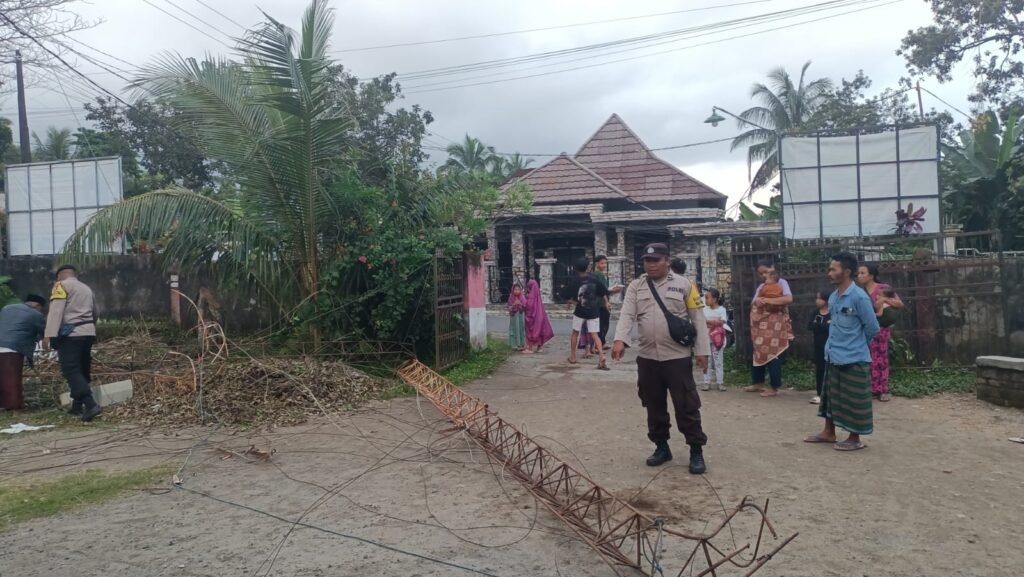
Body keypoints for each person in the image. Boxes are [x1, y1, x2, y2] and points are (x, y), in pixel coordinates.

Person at [612, 243, 711, 474]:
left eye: (656, 260)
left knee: (686, 405)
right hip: (647, 358)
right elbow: (627, 314)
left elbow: (697, 318)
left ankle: (696, 450)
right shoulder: (637, 286)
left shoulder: (685, 285)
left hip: (677, 357)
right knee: (653, 405)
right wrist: (620, 340)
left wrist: (702, 351)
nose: (651, 264)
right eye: (647, 260)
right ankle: (661, 447)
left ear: (667, 260)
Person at [805, 252, 880, 451]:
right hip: (833, 354)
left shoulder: (859, 298)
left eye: (833, 269)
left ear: (846, 272)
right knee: (830, 395)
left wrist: (856, 345)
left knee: (853, 400)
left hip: (854, 358)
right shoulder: (834, 298)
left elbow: (872, 328)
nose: (829, 272)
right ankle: (828, 432)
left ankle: (854, 438)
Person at [43, 265, 101, 422]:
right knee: (82, 368)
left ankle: (90, 404)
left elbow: (56, 311)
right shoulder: (86, 288)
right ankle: (76, 406)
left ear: (60, 276)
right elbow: (96, 312)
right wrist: (90, 327)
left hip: (71, 334)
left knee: (71, 369)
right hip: (88, 332)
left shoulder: (60, 285)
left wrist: (49, 335)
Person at [746, 260, 794, 397]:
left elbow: (788, 299)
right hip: (760, 324)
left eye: (765, 272)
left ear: (772, 269)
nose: (763, 275)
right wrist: (758, 301)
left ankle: (774, 387)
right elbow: (753, 302)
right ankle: (758, 382)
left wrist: (768, 301)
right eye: (761, 273)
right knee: (758, 351)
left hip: (776, 325)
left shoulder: (782, 283)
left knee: (774, 354)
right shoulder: (761, 286)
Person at [857, 264, 904, 402]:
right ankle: (871, 388)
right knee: (867, 358)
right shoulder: (859, 291)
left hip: (881, 328)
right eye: (858, 273)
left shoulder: (882, 288)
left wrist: (884, 299)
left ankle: (883, 389)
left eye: (862, 273)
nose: (859, 276)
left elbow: (900, 304)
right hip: (865, 330)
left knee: (881, 359)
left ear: (871, 276)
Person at [560, 258, 611, 370]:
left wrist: (573, 302)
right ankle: (601, 356)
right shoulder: (594, 279)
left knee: (575, 333)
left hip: (580, 310)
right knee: (595, 334)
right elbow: (604, 292)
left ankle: (573, 357)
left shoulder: (575, 281)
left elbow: (563, 294)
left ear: (576, 269)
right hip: (593, 310)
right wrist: (606, 303)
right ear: (587, 267)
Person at [0, 295, 47, 411]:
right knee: (12, 379)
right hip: (13, 348)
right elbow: (45, 331)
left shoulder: (7, 308)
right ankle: (14, 407)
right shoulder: (36, 314)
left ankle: (4, 404)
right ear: (37, 305)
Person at [592, 255, 623, 352]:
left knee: (602, 324)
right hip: (601, 303)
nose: (604, 265)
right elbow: (602, 291)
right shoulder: (598, 275)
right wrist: (610, 294)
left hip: (599, 303)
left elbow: (604, 290)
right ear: (596, 264)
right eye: (602, 263)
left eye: (605, 263)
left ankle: (601, 343)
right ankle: (599, 344)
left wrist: (611, 290)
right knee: (603, 324)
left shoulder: (597, 275)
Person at [702, 288, 729, 392]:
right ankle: (706, 382)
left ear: (715, 299)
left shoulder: (722, 309)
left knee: (718, 361)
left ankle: (720, 382)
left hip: (717, 339)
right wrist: (715, 322)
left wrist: (709, 322)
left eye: (707, 298)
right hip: (706, 338)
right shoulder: (704, 309)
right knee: (706, 361)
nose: (706, 300)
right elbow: (703, 322)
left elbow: (722, 322)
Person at [808, 289, 832, 405]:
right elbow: (810, 326)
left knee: (831, 369)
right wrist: (823, 325)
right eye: (817, 298)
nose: (817, 301)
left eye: (820, 298)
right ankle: (820, 393)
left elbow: (831, 328)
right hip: (818, 345)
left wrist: (819, 325)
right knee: (820, 369)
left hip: (831, 346)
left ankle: (832, 393)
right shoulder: (815, 312)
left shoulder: (832, 312)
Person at [523, 279, 554, 354]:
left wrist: (525, 299)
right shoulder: (538, 296)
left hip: (533, 318)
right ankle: (539, 348)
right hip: (540, 316)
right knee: (540, 331)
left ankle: (530, 349)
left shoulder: (531, 297)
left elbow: (528, 306)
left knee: (530, 331)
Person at [507, 283, 527, 351]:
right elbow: (509, 308)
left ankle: (522, 344)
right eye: (515, 289)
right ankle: (514, 344)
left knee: (521, 328)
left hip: (521, 316)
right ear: (513, 290)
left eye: (518, 289)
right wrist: (514, 305)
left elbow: (525, 306)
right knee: (515, 328)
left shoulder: (522, 297)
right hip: (514, 316)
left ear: (520, 290)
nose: (517, 291)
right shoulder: (511, 297)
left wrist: (520, 304)